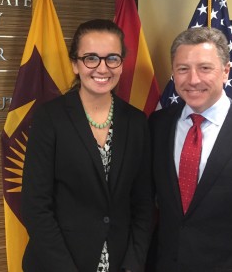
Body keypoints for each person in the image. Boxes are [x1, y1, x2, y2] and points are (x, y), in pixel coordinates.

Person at [21, 19, 154, 272]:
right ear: (75, 64)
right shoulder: (49, 118)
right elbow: (35, 206)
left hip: (120, 262)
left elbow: (143, 204)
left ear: (121, 64)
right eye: (91, 58)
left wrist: (133, 264)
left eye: (112, 58)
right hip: (58, 263)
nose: (102, 68)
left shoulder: (137, 122)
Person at [149, 27, 232, 272]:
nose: (193, 79)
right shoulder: (157, 125)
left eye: (205, 68)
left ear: (226, 72)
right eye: (183, 69)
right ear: (173, 74)